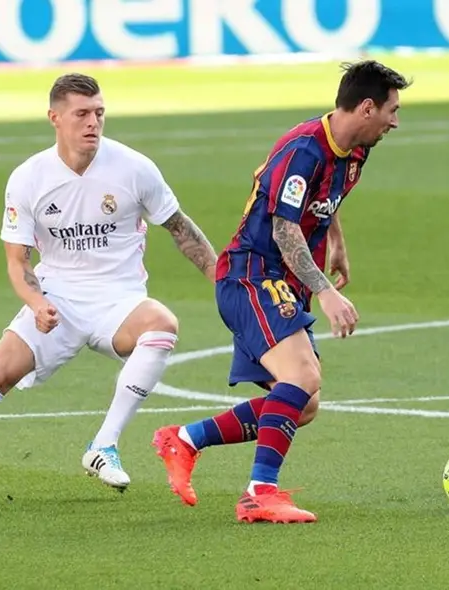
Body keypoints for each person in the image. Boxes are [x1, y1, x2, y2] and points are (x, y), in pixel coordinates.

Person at [0, 73, 219, 506]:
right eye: (81, 114)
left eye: (99, 113)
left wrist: (222, 281)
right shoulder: (29, 178)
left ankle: (103, 446)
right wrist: (36, 303)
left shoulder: (135, 168)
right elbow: (17, 262)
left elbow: (181, 229)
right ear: (55, 118)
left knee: (162, 325)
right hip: (57, 298)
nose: (93, 123)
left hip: (120, 299)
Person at [151, 60, 411, 524]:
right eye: (392, 110)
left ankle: (184, 440)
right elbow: (284, 227)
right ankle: (259, 493)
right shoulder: (303, 150)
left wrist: (336, 243)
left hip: (283, 283)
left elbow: (326, 201)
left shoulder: (356, 148)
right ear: (367, 107)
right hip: (252, 274)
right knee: (304, 377)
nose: (396, 120)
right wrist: (327, 291)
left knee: (303, 404)